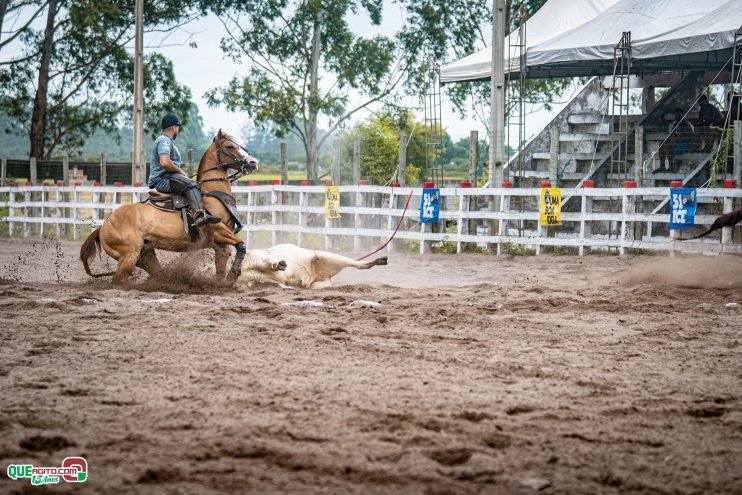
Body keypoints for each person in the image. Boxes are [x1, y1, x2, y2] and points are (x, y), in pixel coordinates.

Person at [148, 113, 220, 227]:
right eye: (177, 127)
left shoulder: (167, 141)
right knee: (192, 184)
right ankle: (199, 215)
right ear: (173, 127)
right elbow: (165, 162)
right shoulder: (164, 140)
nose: (178, 130)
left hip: (168, 177)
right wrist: (180, 172)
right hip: (163, 179)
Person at [657, 108, 693, 172]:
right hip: (675, 143)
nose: (677, 117)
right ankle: (662, 166)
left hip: (685, 145)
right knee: (662, 143)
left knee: (668, 146)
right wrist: (667, 140)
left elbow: (687, 138)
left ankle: (671, 167)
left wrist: (678, 137)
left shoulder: (686, 124)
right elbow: (671, 135)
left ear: (682, 115)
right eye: (676, 115)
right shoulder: (675, 124)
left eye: (679, 115)